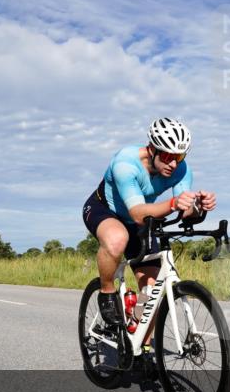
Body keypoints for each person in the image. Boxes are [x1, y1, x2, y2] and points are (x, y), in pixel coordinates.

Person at [82, 118, 216, 327]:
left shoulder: (181, 169)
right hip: (105, 210)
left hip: (143, 220)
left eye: (179, 156)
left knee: (151, 294)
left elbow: (184, 209)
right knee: (118, 239)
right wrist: (173, 203)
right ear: (152, 149)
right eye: (168, 156)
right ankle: (107, 292)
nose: (173, 163)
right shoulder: (125, 163)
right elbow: (137, 213)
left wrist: (198, 206)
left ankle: (139, 345)